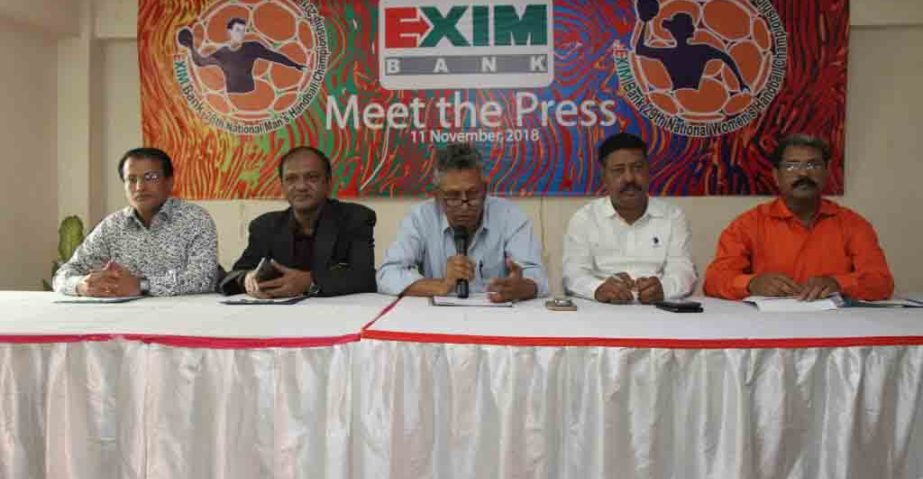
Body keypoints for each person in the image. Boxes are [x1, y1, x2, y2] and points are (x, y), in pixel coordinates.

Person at [703, 134, 894, 301]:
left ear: (827, 172)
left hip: (837, 328)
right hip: (767, 328)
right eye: (791, 166)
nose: (803, 173)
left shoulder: (853, 224)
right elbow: (714, 281)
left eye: (813, 164)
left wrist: (838, 284)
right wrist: (751, 283)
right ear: (776, 175)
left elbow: (881, 282)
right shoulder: (748, 225)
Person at [377, 143, 548, 302]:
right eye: (452, 196)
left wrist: (520, 288)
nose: (464, 206)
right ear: (436, 195)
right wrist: (442, 285)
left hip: (497, 318)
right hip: (437, 323)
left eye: (473, 194)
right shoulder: (420, 217)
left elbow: (537, 276)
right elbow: (387, 274)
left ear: (485, 189)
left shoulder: (511, 216)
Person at [53, 147, 218, 297]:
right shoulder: (112, 226)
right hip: (119, 319)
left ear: (169, 182)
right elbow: (63, 274)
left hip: (181, 318)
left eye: (150, 177)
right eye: (131, 179)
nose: (140, 187)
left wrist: (142, 286)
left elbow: (204, 279)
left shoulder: (194, 219)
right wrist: (81, 285)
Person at [219, 146, 376, 298]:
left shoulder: (355, 218)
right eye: (291, 179)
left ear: (328, 183)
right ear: (283, 185)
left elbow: (365, 277)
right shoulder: (265, 226)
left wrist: (309, 282)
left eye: (312, 177)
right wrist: (247, 278)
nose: (301, 187)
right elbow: (234, 274)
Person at [563, 132, 696, 303]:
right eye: (618, 170)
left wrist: (664, 288)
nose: (629, 178)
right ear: (604, 176)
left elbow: (683, 271)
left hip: (659, 310)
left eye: (637, 168)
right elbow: (573, 275)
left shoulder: (672, 216)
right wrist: (597, 289)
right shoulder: (584, 218)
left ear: (649, 171)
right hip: (601, 311)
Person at [177, 17, 305, 94]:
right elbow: (201, 62)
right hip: (231, 97)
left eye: (243, 30)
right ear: (229, 31)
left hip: (251, 95)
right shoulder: (222, 53)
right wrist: (191, 47)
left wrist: (295, 65)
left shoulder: (252, 47)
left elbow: (275, 56)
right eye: (238, 30)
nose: (241, 34)